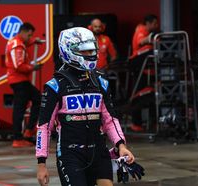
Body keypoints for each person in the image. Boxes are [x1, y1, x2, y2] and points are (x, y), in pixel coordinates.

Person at [36, 27, 135, 186]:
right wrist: (41, 164)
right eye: (85, 51)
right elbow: (44, 127)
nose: (90, 55)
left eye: (91, 50)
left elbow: (110, 119)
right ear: (68, 50)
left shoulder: (101, 82)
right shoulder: (55, 86)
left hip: (99, 152)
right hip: (71, 155)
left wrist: (121, 146)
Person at [5, 22, 41, 148]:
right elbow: (18, 65)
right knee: (21, 108)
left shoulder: (16, 42)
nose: (30, 37)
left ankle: (26, 131)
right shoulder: (17, 45)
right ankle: (20, 137)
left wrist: (33, 41)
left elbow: (26, 42)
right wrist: (33, 67)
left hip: (19, 80)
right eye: (29, 35)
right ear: (23, 32)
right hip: (19, 80)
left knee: (34, 100)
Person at [129, 14, 159, 132]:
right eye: (155, 23)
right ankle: (136, 123)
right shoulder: (141, 30)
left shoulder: (150, 32)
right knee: (138, 95)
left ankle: (153, 123)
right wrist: (152, 38)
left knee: (153, 95)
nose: (156, 25)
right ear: (148, 23)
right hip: (139, 68)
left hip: (150, 70)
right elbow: (141, 41)